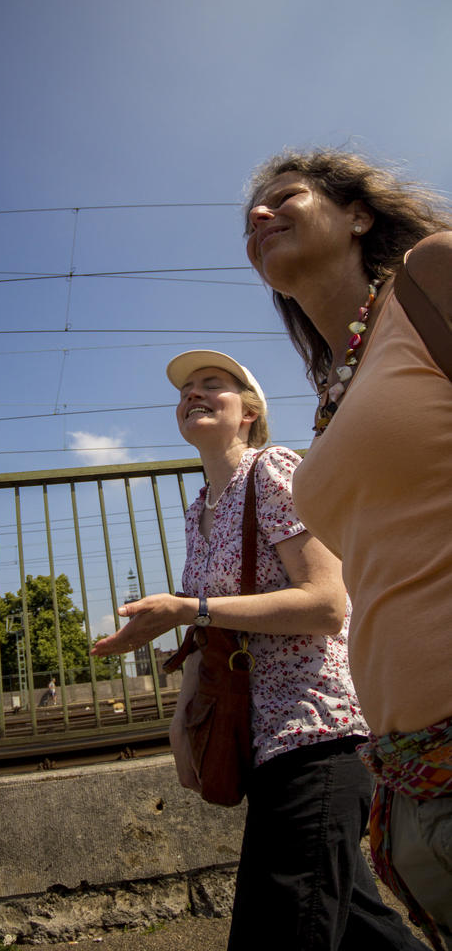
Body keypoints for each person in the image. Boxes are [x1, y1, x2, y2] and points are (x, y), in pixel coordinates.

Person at [92, 350, 425, 951]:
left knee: (273, 929)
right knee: (359, 928)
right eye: (186, 389)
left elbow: (327, 603)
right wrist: (180, 722)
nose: (194, 394)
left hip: (318, 732)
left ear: (248, 412)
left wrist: (189, 608)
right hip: (263, 741)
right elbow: (207, 633)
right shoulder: (200, 512)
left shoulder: (273, 471)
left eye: (212, 385)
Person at [244, 147, 452, 950]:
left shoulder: (431, 277)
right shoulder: (334, 396)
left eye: (282, 197)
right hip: (414, 775)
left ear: (358, 213)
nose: (257, 217)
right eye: (247, 216)